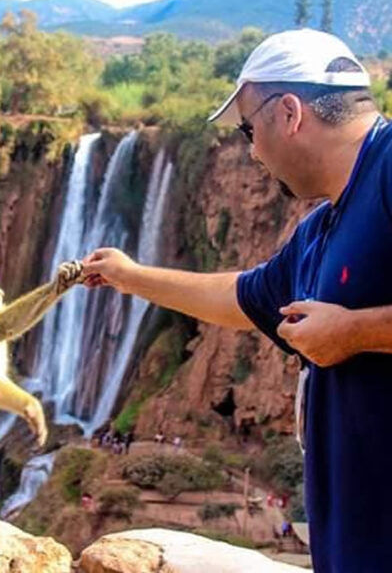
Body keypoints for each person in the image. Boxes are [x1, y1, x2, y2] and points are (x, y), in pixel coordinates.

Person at [82, 28, 392, 573]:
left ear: (290, 113)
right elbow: (242, 297)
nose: (251, 151)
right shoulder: (322, 227)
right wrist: (131, 277)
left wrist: (355, 331)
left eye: (250, 129)